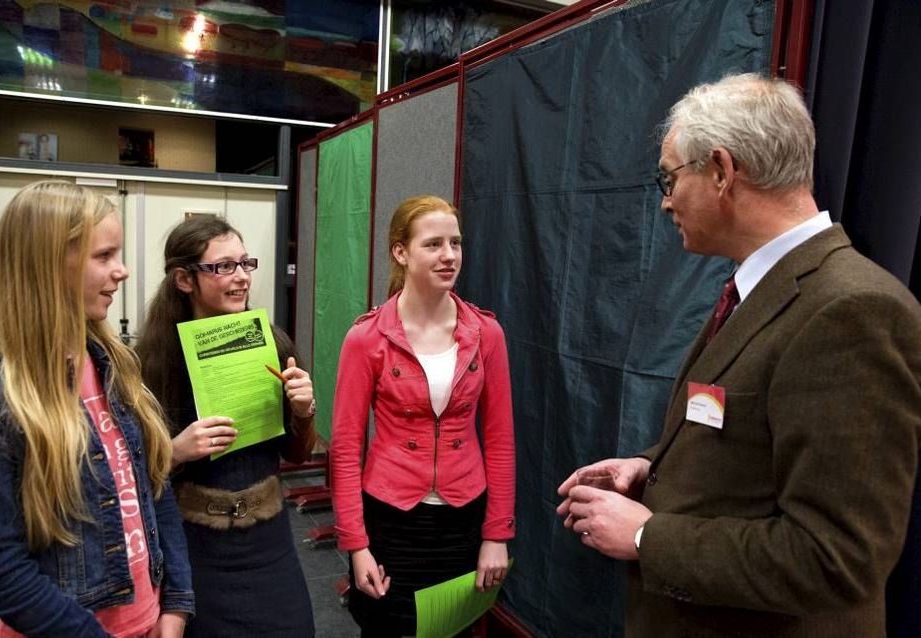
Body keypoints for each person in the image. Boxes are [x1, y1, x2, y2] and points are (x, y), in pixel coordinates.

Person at [556, 73, 921, 636]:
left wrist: (646, 536)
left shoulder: (851, 310)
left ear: (722, 171)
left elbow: (836, 558)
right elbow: (754, 444)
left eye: (670, 177)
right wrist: (655, 469)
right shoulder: (766, 290)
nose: (665, 201)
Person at [0, 180, 194, 637]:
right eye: (104, 256)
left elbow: (154, 490)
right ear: (46, 266)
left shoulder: (116, 365)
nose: (122, 272)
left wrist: (175, 608)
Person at [331, 195, 516, 636]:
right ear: (401, 252)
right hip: (392, 518)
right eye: (433, 244)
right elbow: (344, 449)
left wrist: (497, 534)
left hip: (464, 517)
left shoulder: (486, 333)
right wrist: (356, 545)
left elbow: (502, 439)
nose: (449, 255)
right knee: (388, 627)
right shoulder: (366, 338)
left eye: (455, 243)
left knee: (454, 628)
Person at [136, 215, 316, 637]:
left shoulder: (273, 342)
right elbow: (127, 474)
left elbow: (297, 454)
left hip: (269, 543)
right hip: (194, 548)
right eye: (223, 267)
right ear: (184, 279)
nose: (241, 278)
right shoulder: (151, 363)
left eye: (245, 263)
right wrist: (174, 451)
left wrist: (303, 411)